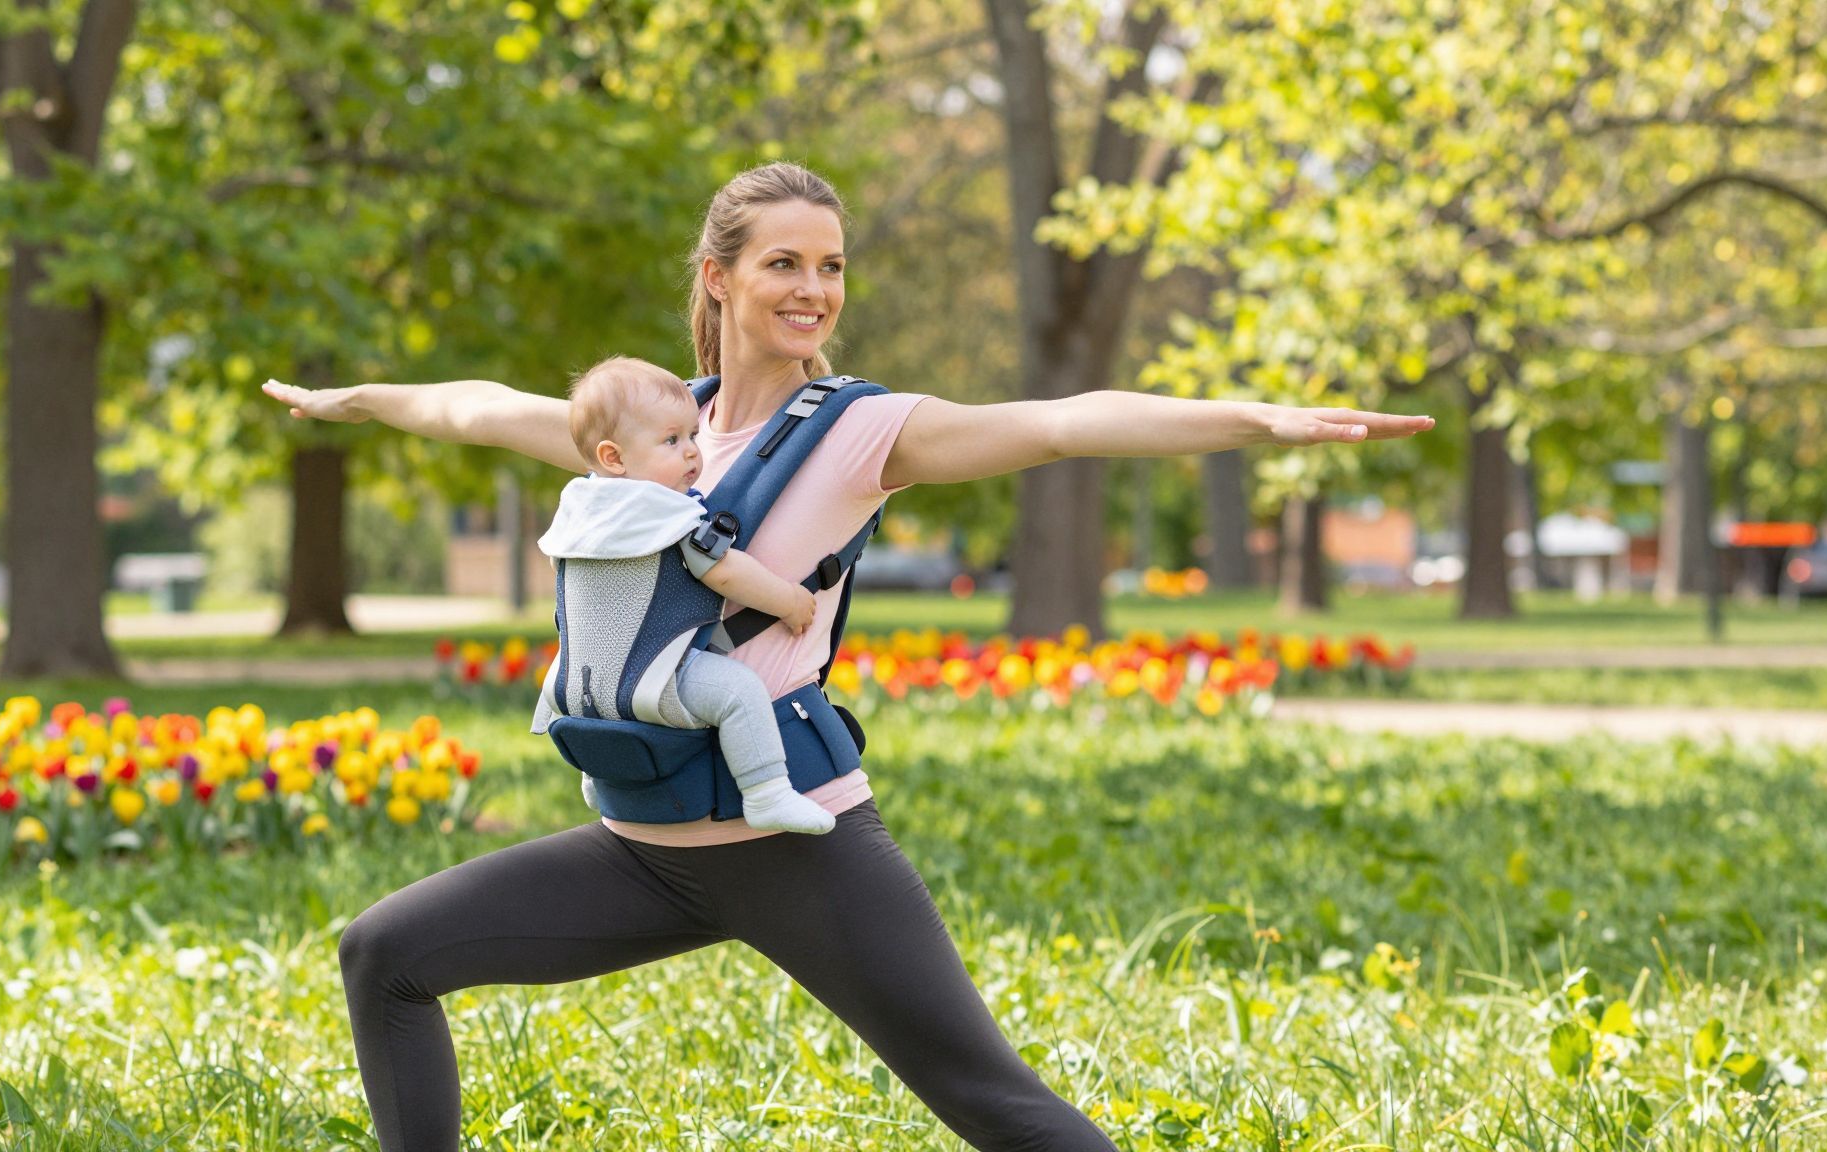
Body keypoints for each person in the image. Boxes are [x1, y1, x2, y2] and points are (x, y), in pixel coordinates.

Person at [261, 161, 1434, 1152]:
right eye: (783, 264)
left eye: (829, 267)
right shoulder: (641, 429)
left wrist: (1259, 421)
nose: (812, 290)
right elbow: (474, 406)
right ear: (717, 278)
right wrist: (355, 398)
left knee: (996, 1108)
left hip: (793, 844)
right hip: (640, 850)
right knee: (386, 955)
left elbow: (1060, 422)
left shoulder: (864, 430)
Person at [529, 353, 834, 834]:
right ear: (613, 457)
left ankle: (600, 777)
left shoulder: (579, 509)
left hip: (574, 690)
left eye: (694, 435)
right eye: (672, 440)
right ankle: (767, 793)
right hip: (655, 679)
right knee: (738, 693)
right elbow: (727, 573)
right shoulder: (666, 512)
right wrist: (789, 601)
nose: (693, 451)